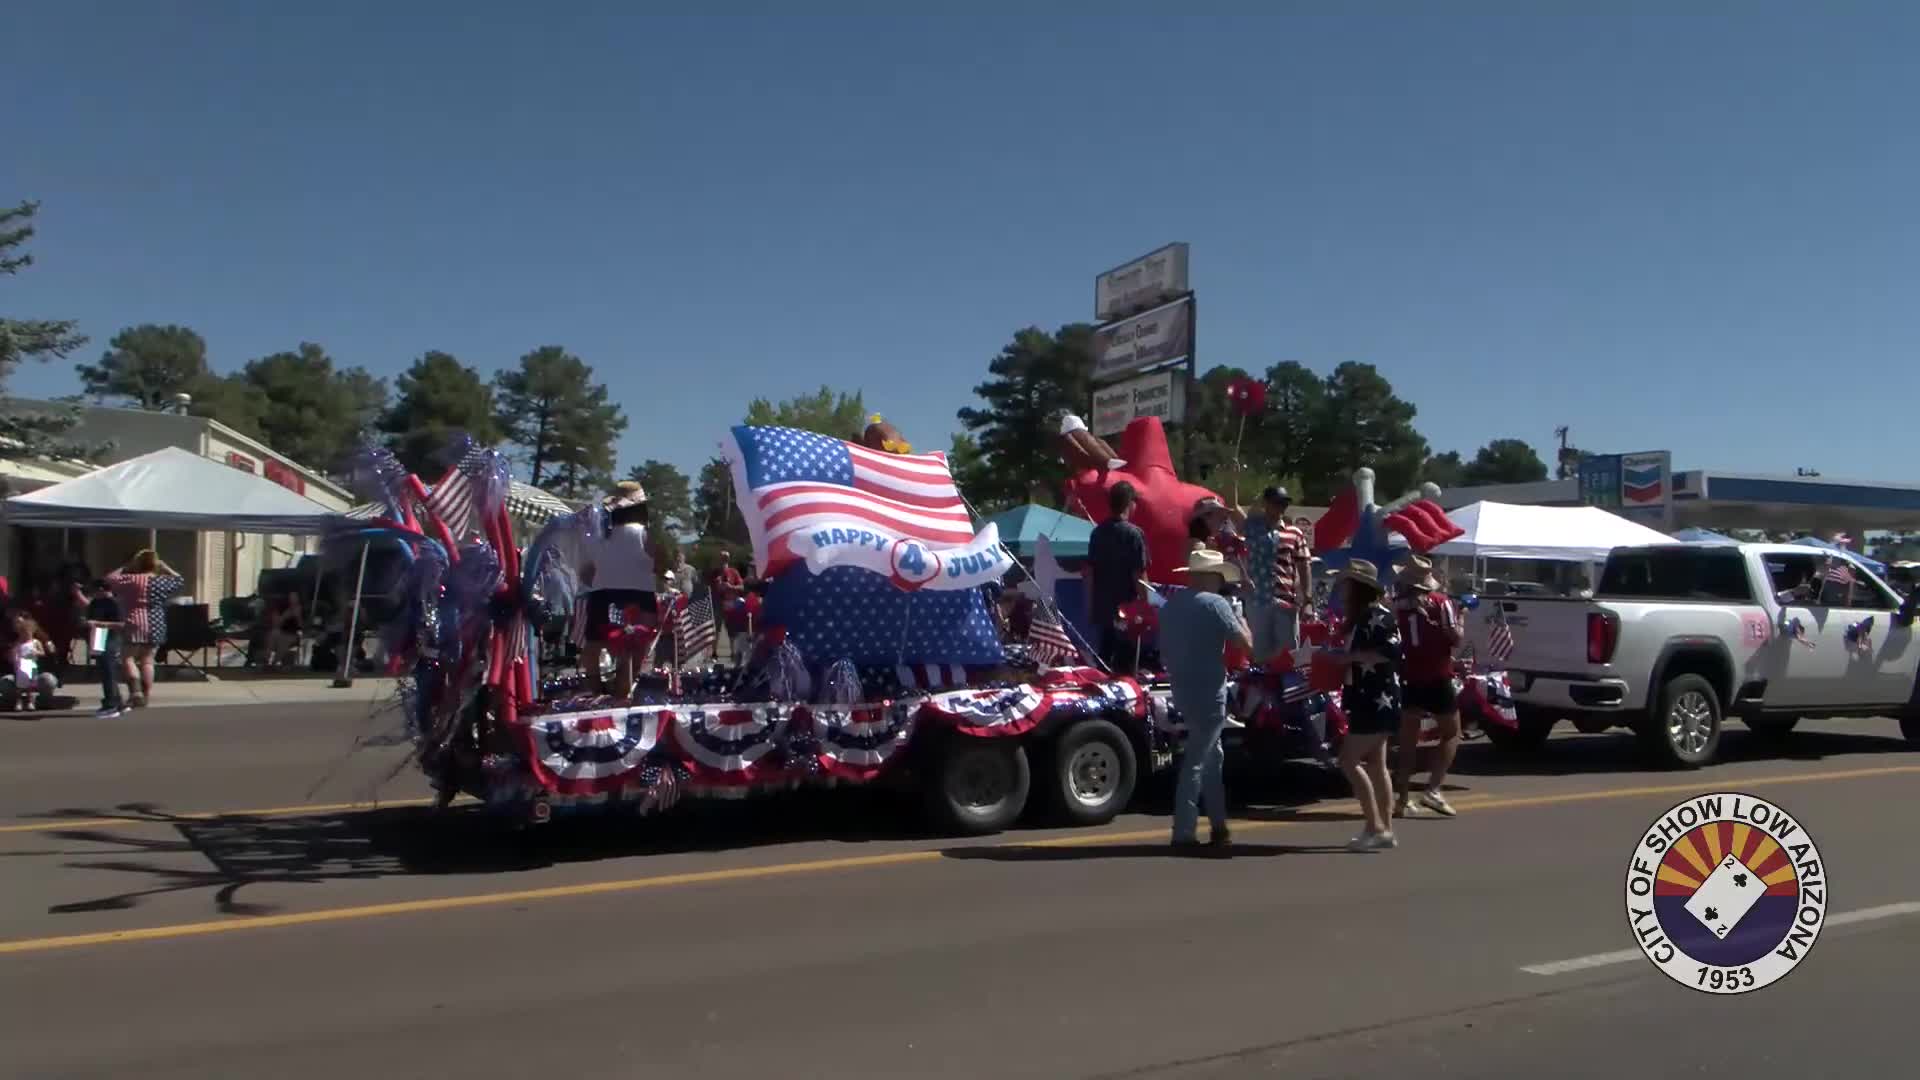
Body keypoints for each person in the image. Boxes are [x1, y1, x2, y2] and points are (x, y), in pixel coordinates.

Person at [1161, 549, 1255, 853]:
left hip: (1182, 688)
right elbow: (1246, 644)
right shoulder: (1217, 604)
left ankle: (1219, 825)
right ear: (1211, 576)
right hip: (1209, 689)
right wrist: (1241, 617)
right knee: (1198, 759)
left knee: (1212, 756)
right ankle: (1183, 831)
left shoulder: (1171, 605)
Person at [1323, 558, 1403, 851]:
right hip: (1367, 697)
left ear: (1358, 587)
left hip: (1375, 698)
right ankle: (1385, 830)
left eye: (1346, 584)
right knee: (1377, 764)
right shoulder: (1362, 617)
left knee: (1348, 760)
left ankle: (1375, 827)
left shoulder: (1376, 616)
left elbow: (1389, 652)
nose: (1341, 589)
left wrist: (1347, 658)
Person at [1393, 556, 1462, 819]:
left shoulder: (1397, 605)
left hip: (1410, 675)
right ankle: (1433, 788)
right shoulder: (1441, 603)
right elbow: (1455, 638)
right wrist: (1462, 619)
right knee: (1451, 732)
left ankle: (1402, 799)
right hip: (1437, 675)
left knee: (1408, 739)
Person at [579, 482, 663, 694]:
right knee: (635, 648)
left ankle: (597, 691)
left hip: (602, 595)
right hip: (640, 595)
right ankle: (623, 693)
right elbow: (660, 565)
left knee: (593, 647)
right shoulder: (645, 534)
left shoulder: (598, 536)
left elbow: (586, 573)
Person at [106, 549, 184, 709]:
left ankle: (136, 692)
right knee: (148, 661)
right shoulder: (162, 581)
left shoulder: (130, 579)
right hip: (156, 623)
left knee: (128, 658)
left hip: (134, 621)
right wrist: (165, 567)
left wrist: (126, 567)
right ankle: (146, 695)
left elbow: (109, 579)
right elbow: (179, 580)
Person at [1085, 481, 1149, 674]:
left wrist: (1090, 606)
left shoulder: (1097, 533)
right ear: (1129, 503)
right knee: (1126, 666)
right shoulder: (1134, 534)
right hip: (1127, 610)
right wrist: (1146, 603)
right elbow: (1139, 574)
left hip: (1103, 609)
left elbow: (1090, 572)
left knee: (1104, 662)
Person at [1244, 486, 1312, 659]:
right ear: (1266, 504)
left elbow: (1304, 565)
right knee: (1260, 654)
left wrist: (1308, 599)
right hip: (1258, 600)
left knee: (1289, 654)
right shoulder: (1252, 529)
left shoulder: (1294, 533)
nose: (1281, 507)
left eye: (1284, 504)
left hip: (1286, 600)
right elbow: (1235, 510)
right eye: (1276, 503)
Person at [85, 580, 126, 718]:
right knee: (103, 670)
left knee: (109, 669)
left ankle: (111, 704)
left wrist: (98, 623)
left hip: (111, 637)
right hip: (98, 635)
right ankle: (117, 701)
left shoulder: (114, 603)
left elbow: (121, 624)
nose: (93, 594)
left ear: (102, 589)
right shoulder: (95, 603)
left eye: (95, 590)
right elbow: (89, 616)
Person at [7, 611, 54, 711]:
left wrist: (36, 652)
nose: (25, 634)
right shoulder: (17, 642)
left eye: (27, 632)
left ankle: (31, 702)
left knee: (31, 687)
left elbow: (44, 653)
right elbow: (13, 654)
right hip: (20, 668)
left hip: (32, 667)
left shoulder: (37, 641)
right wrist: (14, 657)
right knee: (19, 687)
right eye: (22, 631)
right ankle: (18, 702)